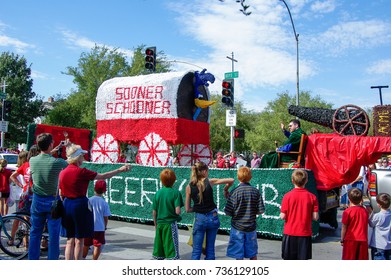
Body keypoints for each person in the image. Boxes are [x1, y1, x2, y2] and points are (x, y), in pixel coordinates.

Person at [59, 143, 131, 260]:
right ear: (78, 158)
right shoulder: (82, 172)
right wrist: (120, 170)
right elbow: (103, 176)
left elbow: (61, 192)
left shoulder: (63, 172)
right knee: (79, 240)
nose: (83, 158)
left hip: (67, 204)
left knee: (69, 240)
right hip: (79, 204)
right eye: (82, 156)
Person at [28, 133, 68, 260]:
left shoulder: (32, 160)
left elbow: (44, 157)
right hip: (52, 201)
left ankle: (32, 259)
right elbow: (68, 164)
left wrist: (51, 150)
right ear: (51, 145)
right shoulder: (57, 162)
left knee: (35, 233)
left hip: (37, 199)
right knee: (53, 235)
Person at [185, 161, 234, 260]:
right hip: (213, 217)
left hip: (199, 218)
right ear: (204, 171)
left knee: (196, 250)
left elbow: (187, 209)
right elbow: (231, 180)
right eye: (207, 171)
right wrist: (226, 189)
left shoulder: (189, 187)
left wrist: (197, 208)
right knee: (210, 249)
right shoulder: (210, 182)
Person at [224, 166, 265, 260]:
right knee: (253, 254)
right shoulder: (255, 191)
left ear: (238, 177)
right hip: (251, 227)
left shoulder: (234, 192)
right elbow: (260, 210)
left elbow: (228, 212)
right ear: (250, 177)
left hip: (237, 227)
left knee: (238, 256)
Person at [280, 169, 319, 260]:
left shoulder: (287, 196)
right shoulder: (312, 197)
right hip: (304, 233)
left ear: (292, 180)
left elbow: (283, 216)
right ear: (306, 180)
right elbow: (315, 217)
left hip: (290, 232)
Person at [152, 168, 184, 260]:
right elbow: (177, 211)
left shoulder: (158, 193)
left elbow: (154, 212)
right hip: (170, 224)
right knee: (172, 251)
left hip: (160, 224)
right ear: (173, 180)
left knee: (159, 251)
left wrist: (156, 224)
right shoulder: (175, 193)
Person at [82, 180, 111, 260]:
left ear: (94, 189)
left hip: (88, 227)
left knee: (86, 244)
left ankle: (82, 257)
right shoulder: (104, 203)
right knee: (97, 245)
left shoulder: (89, 200)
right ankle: (94, 260)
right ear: (104, 191)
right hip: (99, 227)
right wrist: (105, 226)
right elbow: (106, 217)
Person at [340, 187, 369, 260]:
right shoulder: (364, 211)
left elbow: (344, 227)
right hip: (363, 240)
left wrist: (342, 239)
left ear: (349, 199)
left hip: (350, 239)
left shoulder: (347, 212)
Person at [367, 193, 391, 260]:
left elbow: (371, 224)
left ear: (379, 205)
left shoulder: (377, 216)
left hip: (378, 244)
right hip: (389, 244)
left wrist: (370, 213)